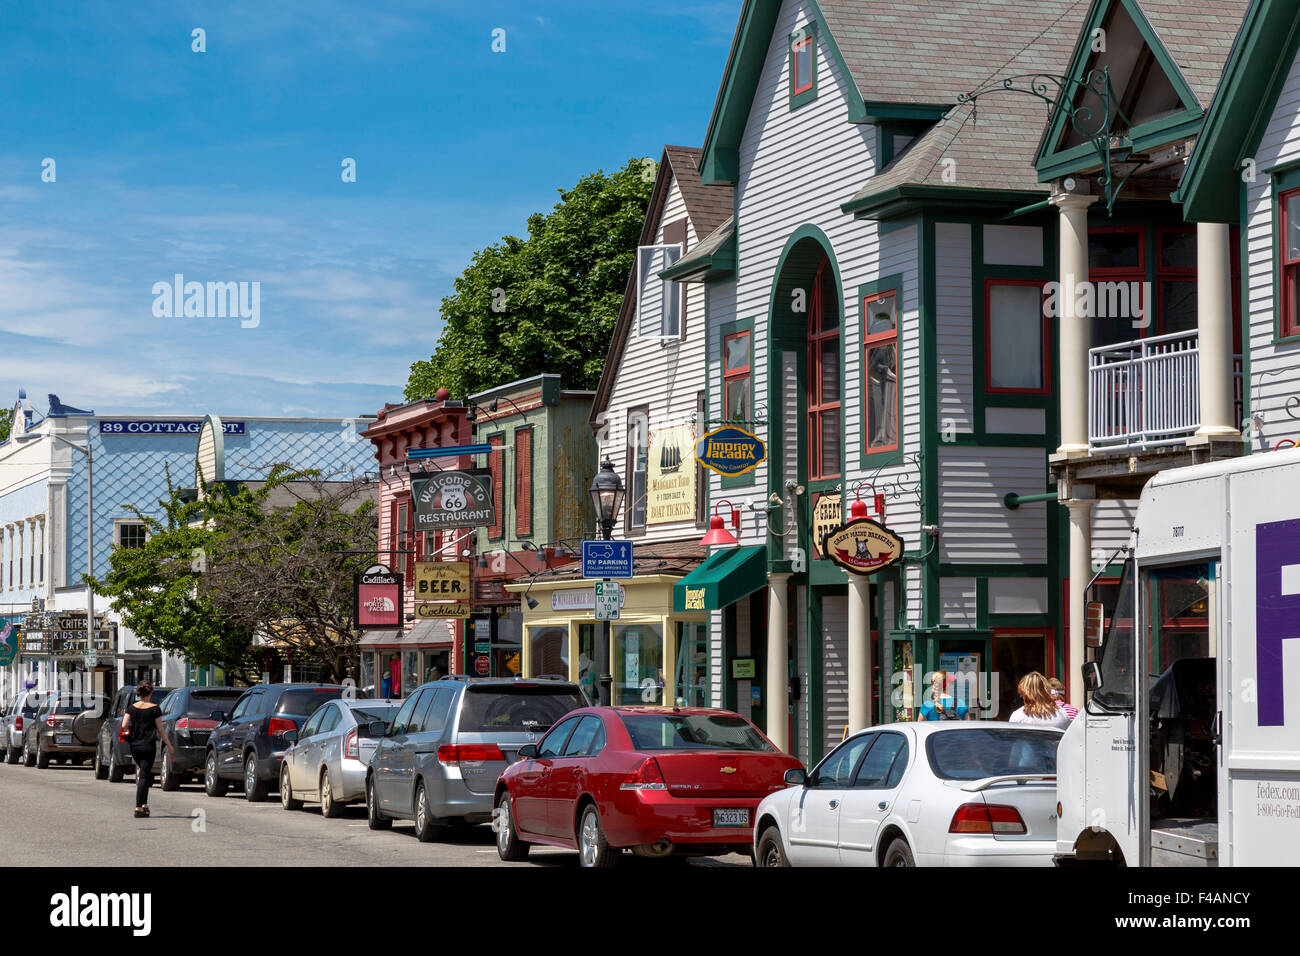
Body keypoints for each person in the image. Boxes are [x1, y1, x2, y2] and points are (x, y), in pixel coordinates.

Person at [120, 680, 175, 818]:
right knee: (144, 775)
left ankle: (144, 804)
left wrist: (131, 732)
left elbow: (124, 725)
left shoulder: (131, 708)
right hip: (148, 746)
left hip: (135, 746)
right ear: (151, 692)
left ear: (139, 692)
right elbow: (161, 729)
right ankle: (138, 807)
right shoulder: (155, 709)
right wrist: (169, 745)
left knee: (144, 772)